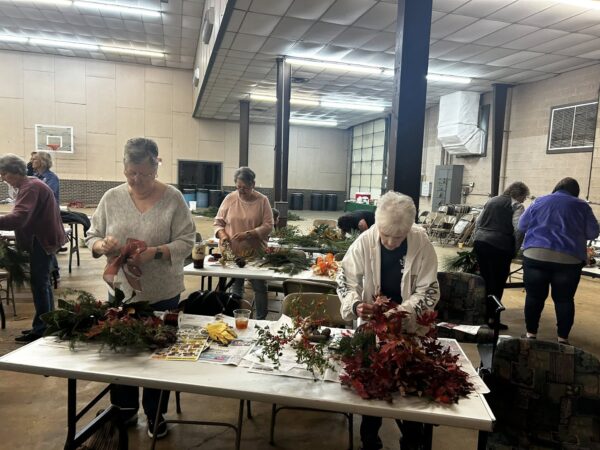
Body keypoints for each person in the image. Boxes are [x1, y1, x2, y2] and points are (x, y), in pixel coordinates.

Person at [85, 137, 195, 439]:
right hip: (122, 293)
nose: (136, 180)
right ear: (124, 169)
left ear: (156, 167)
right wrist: (101, 245)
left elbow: (187, 242)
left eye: (144, 174)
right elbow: (91, 234)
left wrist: (155, 252)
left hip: (163, 294)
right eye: (131, 173)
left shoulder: (173, 199)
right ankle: (124, 410)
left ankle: (155, 413)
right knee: (122, 352)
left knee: (158, 355)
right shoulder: (111, 198)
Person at [337, 191, 440, 450]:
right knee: (373, 383)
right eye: (385, 236)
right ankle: (370, 440)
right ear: (378, 225)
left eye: (399, 237)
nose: (392, 243)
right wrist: (356, 304)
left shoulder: (422, 244)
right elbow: (345, 279)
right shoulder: (364, 241)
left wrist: (403, 312)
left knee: (410, 386)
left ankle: (412, 440)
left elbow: (429, 290)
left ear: (409, 229)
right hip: (373, 324)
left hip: (410, 327)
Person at [519, 177, 599, 345]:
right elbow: (593, 233)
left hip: (536, 255)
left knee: (534, 297)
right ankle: (563, 339)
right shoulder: (582, 206)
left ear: (556, 188)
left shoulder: (539, 201)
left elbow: (522, 225)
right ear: (575, 192)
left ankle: (530, 335)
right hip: (568, 260)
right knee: (564, 300)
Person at [0, 154, 66, 343]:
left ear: (14, 172)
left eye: (4, 174)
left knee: (40, 284)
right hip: (43, 239)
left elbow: (19, 217)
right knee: (43, 284)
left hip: (41, 241)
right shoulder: (30, 184)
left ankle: (42, 329)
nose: (3, 178)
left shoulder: (30, 187)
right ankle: (46, 324)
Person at [214, 167, 273, 319]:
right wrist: (223, 235)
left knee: (259, 287)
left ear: (253, 184)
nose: (241, 191)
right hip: (233, 254)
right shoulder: (230, 199)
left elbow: (268, 225)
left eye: (245, 188)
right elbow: (218, 222)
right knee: (237, 285)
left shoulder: (262, 200)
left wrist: (249, 234)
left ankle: (261, 320)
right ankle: (237, 317)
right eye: (238, 187)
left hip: (255, 254)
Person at [473, 181, 530, 330]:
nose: (524, 200)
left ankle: (482, 316)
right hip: (499, 246)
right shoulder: (516, 205)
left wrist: (477, 240)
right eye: (524, 197)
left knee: (485, 281)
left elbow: (478, 222)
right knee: (497, 284)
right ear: (519, 194)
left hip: (480, 243)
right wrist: (514, 250)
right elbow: (519, 229)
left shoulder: (491, 200)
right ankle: (493, 318)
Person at [32, 151, 61, 285]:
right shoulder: (34, 176)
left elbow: (48, 196)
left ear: (42, 162)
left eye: (35, 159)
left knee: (46, 245)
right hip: (36, 216)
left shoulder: (51, 178)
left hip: (48, 216)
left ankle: (54, 272)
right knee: (42, 245)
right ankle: (52, 271)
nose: (32, 161)